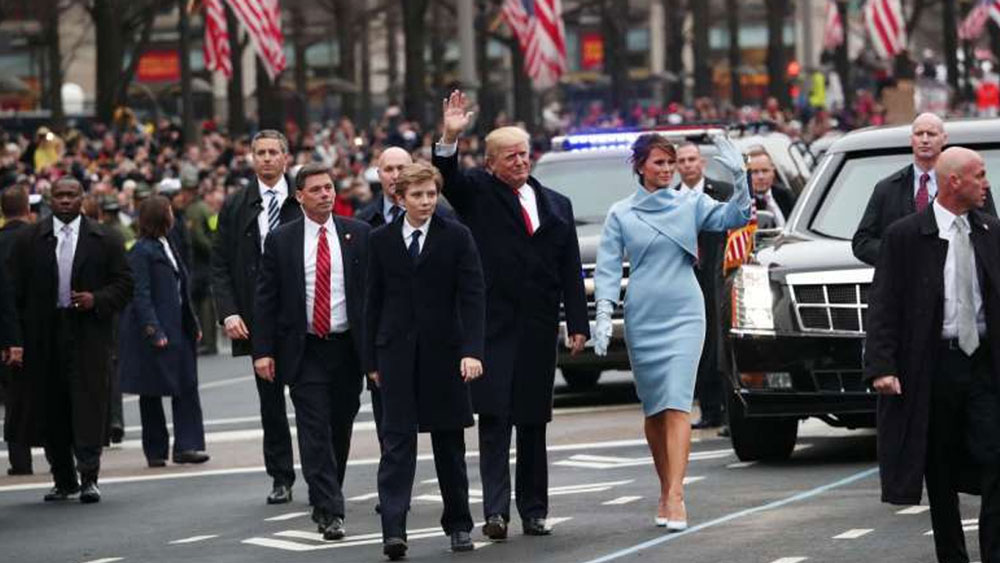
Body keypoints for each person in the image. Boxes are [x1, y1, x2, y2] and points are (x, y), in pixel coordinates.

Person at [434, 90, 589, 539]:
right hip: (493, 327)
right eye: (509, 156)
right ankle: (496, 512)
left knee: (533, 421)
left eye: (524, 154)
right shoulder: (478, 193)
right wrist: (450, 134)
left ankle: (535, 509)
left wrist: (576, 322)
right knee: (495, 419)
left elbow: (569, 268)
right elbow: (448, 175)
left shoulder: (556, 204)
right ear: (492, 163)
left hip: (539, 328)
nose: (519, 162)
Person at [593, 134, 751, 530]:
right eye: (659, 163)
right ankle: (665, 487)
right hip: (644, 314)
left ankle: (677, 496)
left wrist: (740, 175)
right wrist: (602, 314)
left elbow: (735, 217)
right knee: (655, 410)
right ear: (640, 166)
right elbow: (609, 269)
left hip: (685, 310)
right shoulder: (621, 213)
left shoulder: (691, 202)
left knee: (679, 402)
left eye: (671, 162)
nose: (666, 169)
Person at [865, 147, 1000, 563]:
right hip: (933, 366)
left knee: (995, 458)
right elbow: (885, 304)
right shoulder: (905, 235)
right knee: (938, 469)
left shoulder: (992, 230)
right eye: (979, 175)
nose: (987, 184)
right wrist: (882, 367)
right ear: (954, 181)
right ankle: (952, 555)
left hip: (984, 366)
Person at [364, 162, 485, 560]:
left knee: (449, 443)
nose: (426, 202)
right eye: (417, 195)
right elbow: (372, 301)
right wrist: (370, 360)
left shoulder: (457, 236)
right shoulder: (380, 240)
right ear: (400, 198)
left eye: (431, 194)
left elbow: (472, 296)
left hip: (445, 354)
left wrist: (472, 351)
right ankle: (394, 530)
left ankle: (459, 525)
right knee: (396, 445)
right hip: (395, 354)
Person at [252, 163, 369, 540]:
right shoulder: (282, 240)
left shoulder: (358, 234)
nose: (325, 194)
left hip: (347, 348)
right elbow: (266, 299)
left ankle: (327, 491)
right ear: (298, 196)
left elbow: (373, 295)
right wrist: (263, 351)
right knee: (313, 428)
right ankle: (331, 510)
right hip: (304, 350)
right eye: (316, 189)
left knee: (340, 426)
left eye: (329, 188)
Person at [7, 177, 133, 503]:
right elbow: (13, 292)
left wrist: (96, 299)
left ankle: (89, 474)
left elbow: (124, 285)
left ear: (82, 199)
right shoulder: (29, 239)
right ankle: (63, 478)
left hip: (89, 332)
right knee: (51, 407)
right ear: (49, 199)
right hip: (44, 335)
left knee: (88, 404)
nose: (65, 201)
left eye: (71, 195)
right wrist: (15, 339)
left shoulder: (106, 238)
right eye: (59, 195)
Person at [212, 129, 302, 504]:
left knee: (315, 399)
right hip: (258, 317)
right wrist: (229, 312)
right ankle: (280, 476)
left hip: (305, 314)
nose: (266, 159)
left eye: (272, 152)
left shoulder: (305, 196)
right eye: (259, 153)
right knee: (271, 404)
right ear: (251, 158)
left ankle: (323, 471)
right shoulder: (235, 204)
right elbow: (219, 264)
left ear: (286, 157)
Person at [119, 195, 209, 468]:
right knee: (152, 391)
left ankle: (187, 445)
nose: (173, 215)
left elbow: (181, 288)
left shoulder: (167, 244)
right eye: (168, 211)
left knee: (187, 386)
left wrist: (192, 323)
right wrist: (152, 329)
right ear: (160, 216)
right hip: (157, 330)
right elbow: (141, 294)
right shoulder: (141, 251)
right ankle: (155, 451)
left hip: (178, 327)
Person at [853, 113, 997, 266]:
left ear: (944, 139)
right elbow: (862, 242)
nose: (925, 140)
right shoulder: (887, 189)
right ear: (911, 140)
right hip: (905, 282)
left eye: (932, 134)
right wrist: (900, 253)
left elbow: (992, 234)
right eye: (919, 134)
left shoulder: (969, 185)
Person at [354, 146, 411, 461]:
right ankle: (393, 492)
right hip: (386, 335)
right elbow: (364, 292)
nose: (396, 175)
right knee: (388, 425)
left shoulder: (441, 214)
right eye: (389, 169)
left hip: (429, 333)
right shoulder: (363, 222)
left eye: (402, 167)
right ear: (379, 174)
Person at [675, 142, 734, 430]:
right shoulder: (668, 199)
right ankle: (708, 408)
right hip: (686, 280)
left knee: (719, 342)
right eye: (682, 160)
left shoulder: (722, 193)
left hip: (717, 277)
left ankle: (727, 407)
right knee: (694, 344)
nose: (687, 165)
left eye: (692, 159)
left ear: (702, 163)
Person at [0, 185, 33, 474]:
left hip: (8, 332)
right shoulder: (39, 238)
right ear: (28, 209)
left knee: (14, 400)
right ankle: (62, 462)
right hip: (40, 328)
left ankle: (20, 461)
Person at [184, 184, 218, 355]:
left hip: (199, 262)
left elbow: (197, 237)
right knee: (207, 302)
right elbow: (215, 229)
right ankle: (210, 341)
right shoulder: (207, 208)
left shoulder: (192, 211)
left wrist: (211, 250)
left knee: (199, 302)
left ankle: (204, 341)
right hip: (209, 261)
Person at [747, 150, 795, 228]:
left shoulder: (785, 195)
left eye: (765, 171)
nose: (761, 177)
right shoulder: (741, 204)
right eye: (754, 172)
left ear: (773, 172)